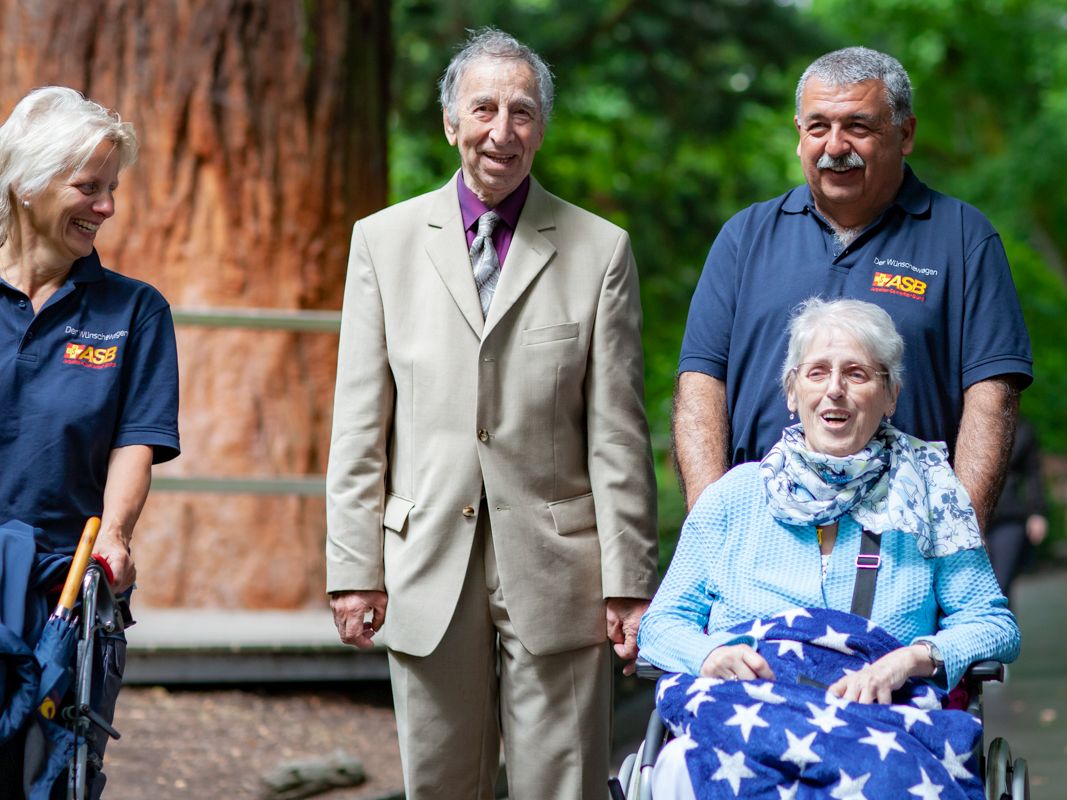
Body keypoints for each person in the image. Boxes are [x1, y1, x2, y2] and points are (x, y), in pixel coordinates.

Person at [325, 28, 658, 799]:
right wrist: (352, 568)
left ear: (541, 127)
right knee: (439, 782)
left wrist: (629, 579)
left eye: (521, 112)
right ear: (450, 122)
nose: (500, 132)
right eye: (482, 109)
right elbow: (358, 422)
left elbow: (616, 431)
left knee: (562, 783)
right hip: (422, 559)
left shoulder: (599, 249)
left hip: (559, 566)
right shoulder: (383, 242)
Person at [639, 298, 1019, 799]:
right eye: (817, 372)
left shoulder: (932, 497)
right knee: (680, 769)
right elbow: (660, 626)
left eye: (857, 374)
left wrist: (911, 659)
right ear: (792, 392)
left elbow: (993, 624)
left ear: (891, 395)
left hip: (883, 716)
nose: (834, 390)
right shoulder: (733, 497)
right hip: (748, 706)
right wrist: (709, 654)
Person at [673, 46, 1032, 530]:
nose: (835, 146)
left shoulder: (963, 237)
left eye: (858, 127)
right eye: (818, 127)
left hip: (907, 537)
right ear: (799, 134)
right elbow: (700, 385)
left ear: (905, 134)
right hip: (759, 533)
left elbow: (992, 396)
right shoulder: (745, 236)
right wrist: (710, 529)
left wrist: (956, 537)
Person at [0, 87, 180, 796]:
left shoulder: (133, 310)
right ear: (26, 183)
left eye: (112, 188)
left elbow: (136, 438)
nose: (106, 206)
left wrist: (119, 534)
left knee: (51, 774)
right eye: (88, 187)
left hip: (64, 587)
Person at [987, 416, 1048, 606]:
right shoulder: (964, 420)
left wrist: (1037, 512)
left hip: (1009, 517)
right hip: (969, 517)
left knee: (1000, 586)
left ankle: (1004, 632)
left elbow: (1033, 474)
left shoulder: (1022, 429)